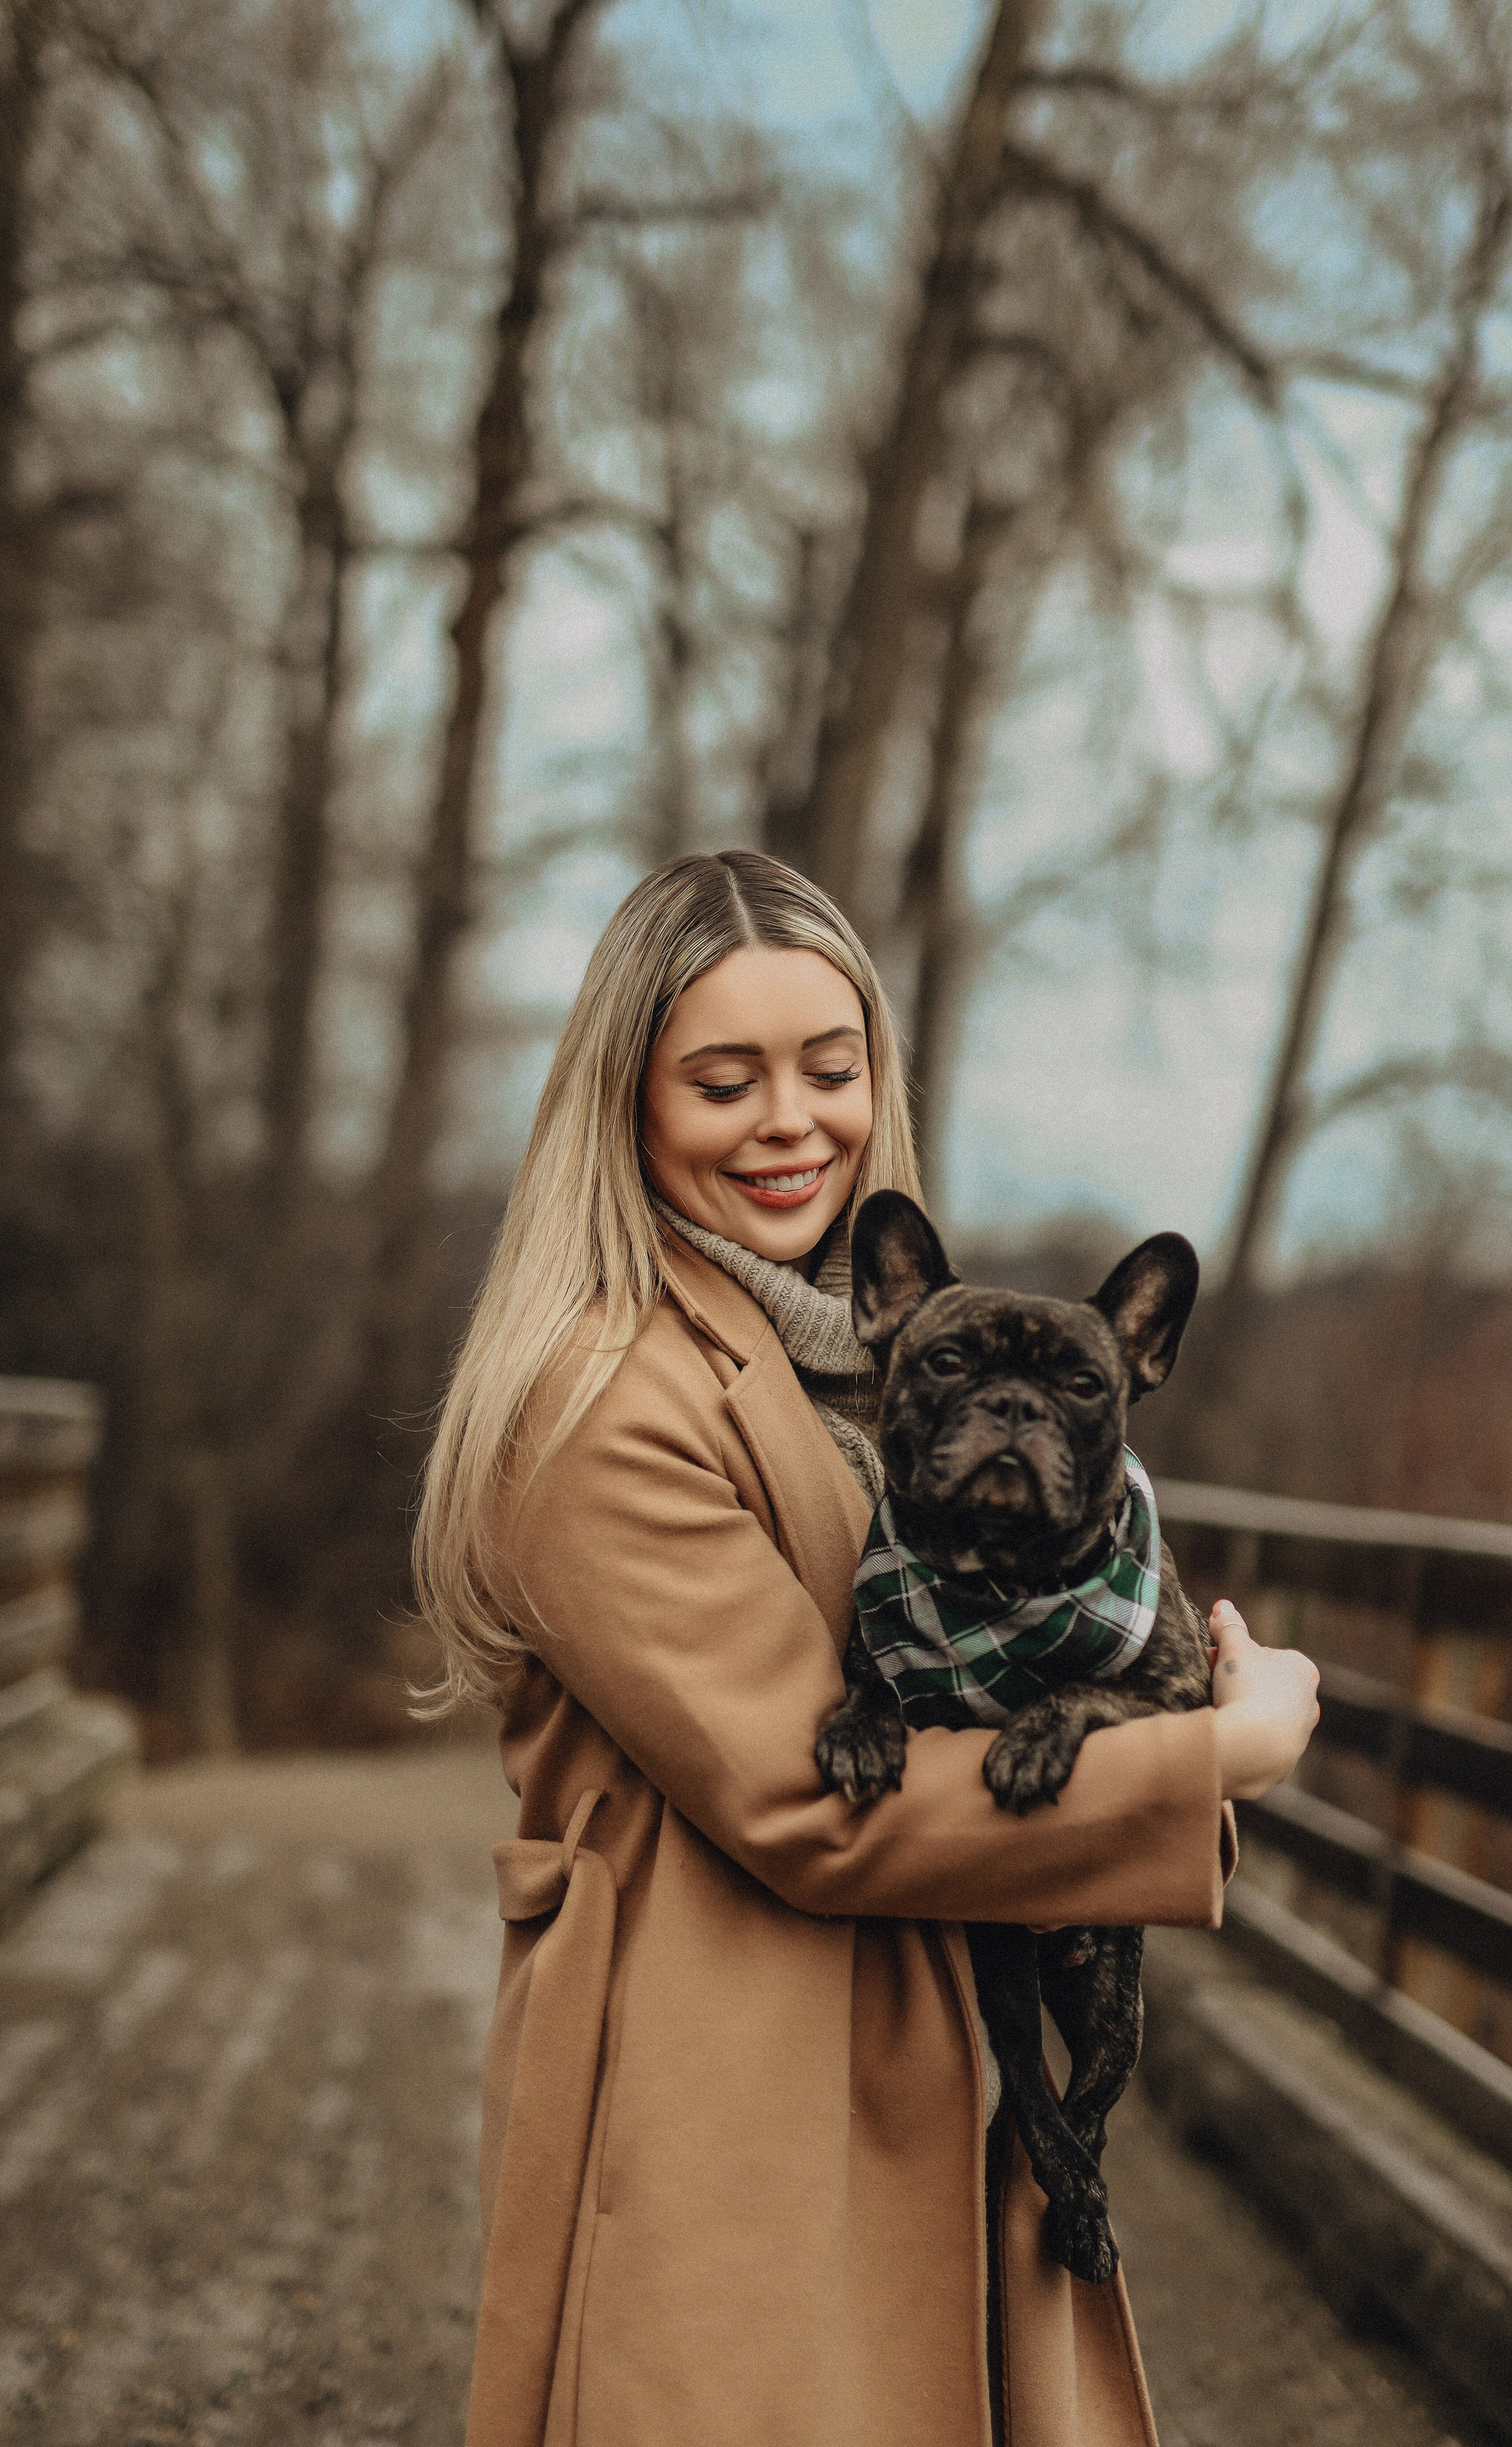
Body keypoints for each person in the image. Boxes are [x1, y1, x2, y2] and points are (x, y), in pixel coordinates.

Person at [415, 850, 1320, 2447]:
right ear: (622, 1104)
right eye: (722, 1078)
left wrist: (1155, 1701)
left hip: (910, 2037)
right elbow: (800, 1801)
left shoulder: (874, 1360)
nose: (790, 1121)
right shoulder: (601, 1398)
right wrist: (1217, 1756)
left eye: (830, 1069)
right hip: (718, 2079)